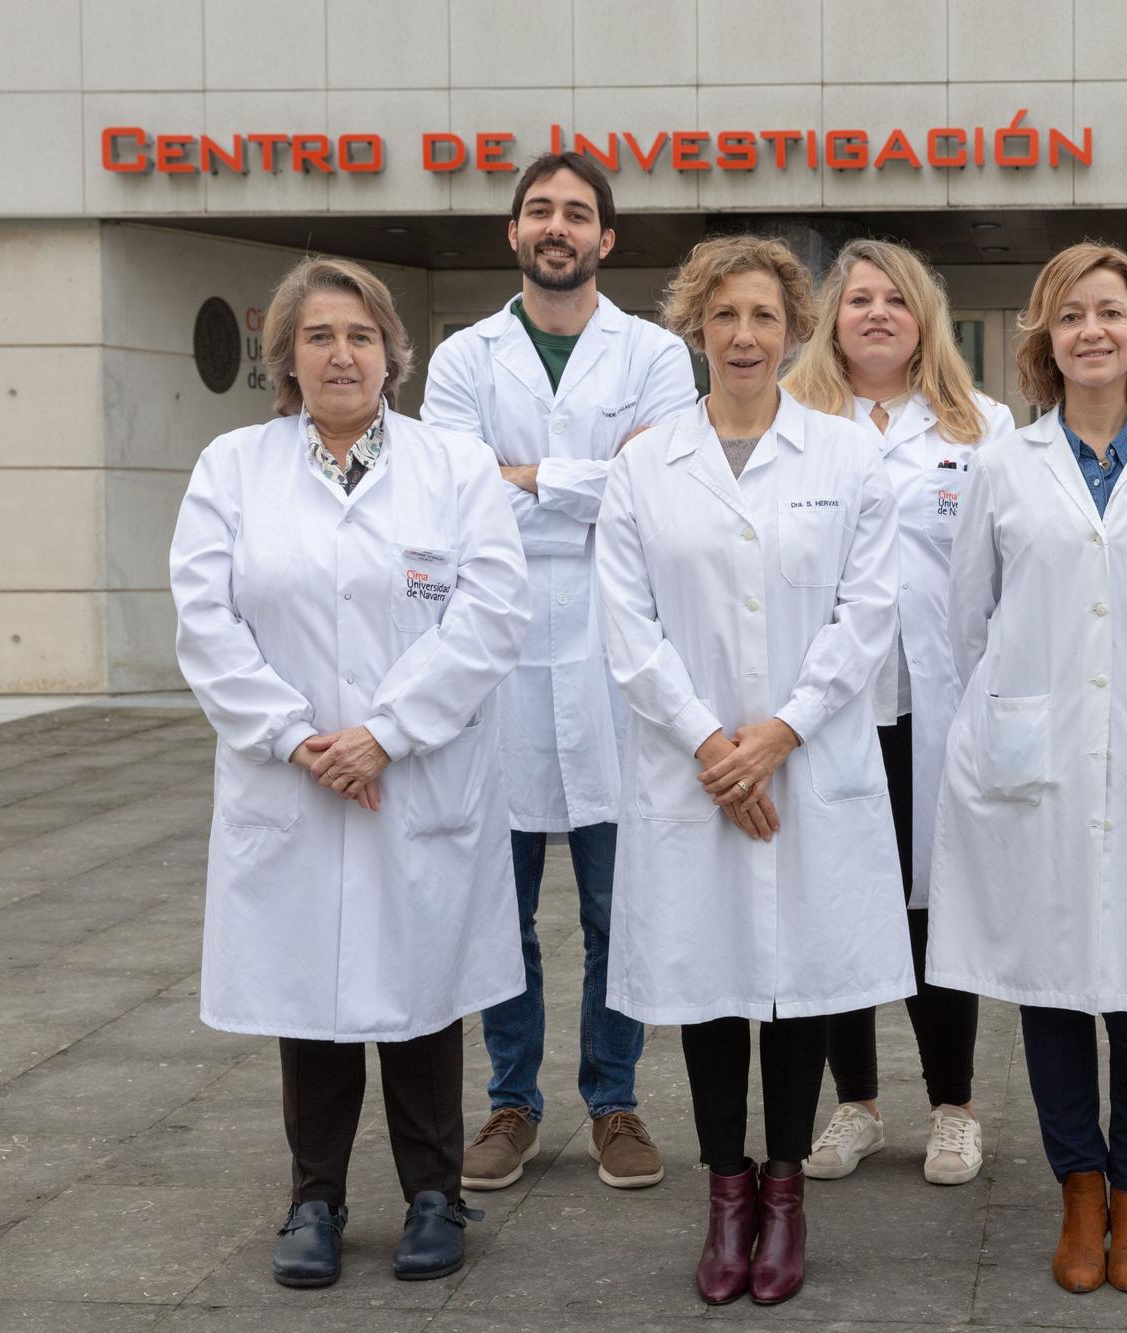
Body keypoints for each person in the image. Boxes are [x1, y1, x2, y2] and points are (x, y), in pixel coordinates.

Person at [169, 256, 531, 1289]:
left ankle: (432, 1191)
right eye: (320, 335)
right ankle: (314, 1200)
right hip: (292, 778)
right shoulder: (233, 468)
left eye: (362, 336)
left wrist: (385, 732)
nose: (342, 353)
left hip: (413, 774)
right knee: (309, 999)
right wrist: (298, 739)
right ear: (286, 355)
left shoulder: (454, 469)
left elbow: (491, 613)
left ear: (391, 356)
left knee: (419, 994)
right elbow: (206, 623)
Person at [595, 234, 914, 1307]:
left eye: (763, 318)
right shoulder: (646, 463)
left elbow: (866, 614)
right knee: (709, 983)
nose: (743, 336)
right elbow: (626, 625)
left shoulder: (845, 457)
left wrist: (777, 734)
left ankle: (783, 1193)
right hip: (692, 772)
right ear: (696, 328)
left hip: (803, 763)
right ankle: (724, 1192)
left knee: (796, 984)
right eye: (723, 317)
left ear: (794, 331)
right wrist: (708, 743)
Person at [926, 243, 1127, 1296]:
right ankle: (1079, 1191)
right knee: (1051, 985)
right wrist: (1033, 710)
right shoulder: (1005, 464)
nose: (1090, 330)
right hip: (1038, 765)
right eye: (1069, 316)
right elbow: (971, 623)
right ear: (1044, 341)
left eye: (1110, 312)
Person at [422, 151, 698, 1195]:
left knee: (613, 906)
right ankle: (510, 1103)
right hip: (491, 655)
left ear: (606, 239)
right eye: (538, 210)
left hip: (613, 651)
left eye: (576, 213)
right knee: (502, 906)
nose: (556, 226)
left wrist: (527, 474)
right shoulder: (460, 359)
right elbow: (455, 500)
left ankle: (614, 1099)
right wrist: (592, 475)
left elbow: (659, 488)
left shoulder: (658, 353)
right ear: (512, 232)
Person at [782, 239, 1015, 1187]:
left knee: (932, 910)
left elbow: (1009, 573)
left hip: (935, 707)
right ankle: (857, 1104)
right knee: (838, 903)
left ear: (925, 318)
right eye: (858, 299)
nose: (876, 313)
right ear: (832, 318)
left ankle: (953, 1105)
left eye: (897, 300)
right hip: (827, 708)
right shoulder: (792, 422)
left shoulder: (981, 426)